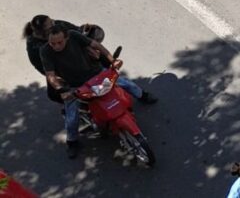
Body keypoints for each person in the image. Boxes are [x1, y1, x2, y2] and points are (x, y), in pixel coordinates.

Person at [42, 26, 155, 157]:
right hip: (75, 86)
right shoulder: (45, 51)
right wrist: (62, 90)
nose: (56, 46)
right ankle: (72, 142)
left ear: (66, 38)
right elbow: (50, 76)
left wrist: (112, 60)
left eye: (59, 42)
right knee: (72, 118)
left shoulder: (73, 35)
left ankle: (143, 96)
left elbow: (96, 45)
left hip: (97, 73)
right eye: (52, 43)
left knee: (126, 83)